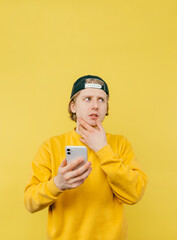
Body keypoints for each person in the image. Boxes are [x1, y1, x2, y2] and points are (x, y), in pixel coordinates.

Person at [24, 75, 147, 240]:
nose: (95, 106)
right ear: (73, 106)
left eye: (101, 100)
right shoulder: (50, 146)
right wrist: (58, 183)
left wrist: (102, 148)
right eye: (87, 99)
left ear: (106, 107)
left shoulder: (120, 144)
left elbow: (134, 193)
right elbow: (30, 202)